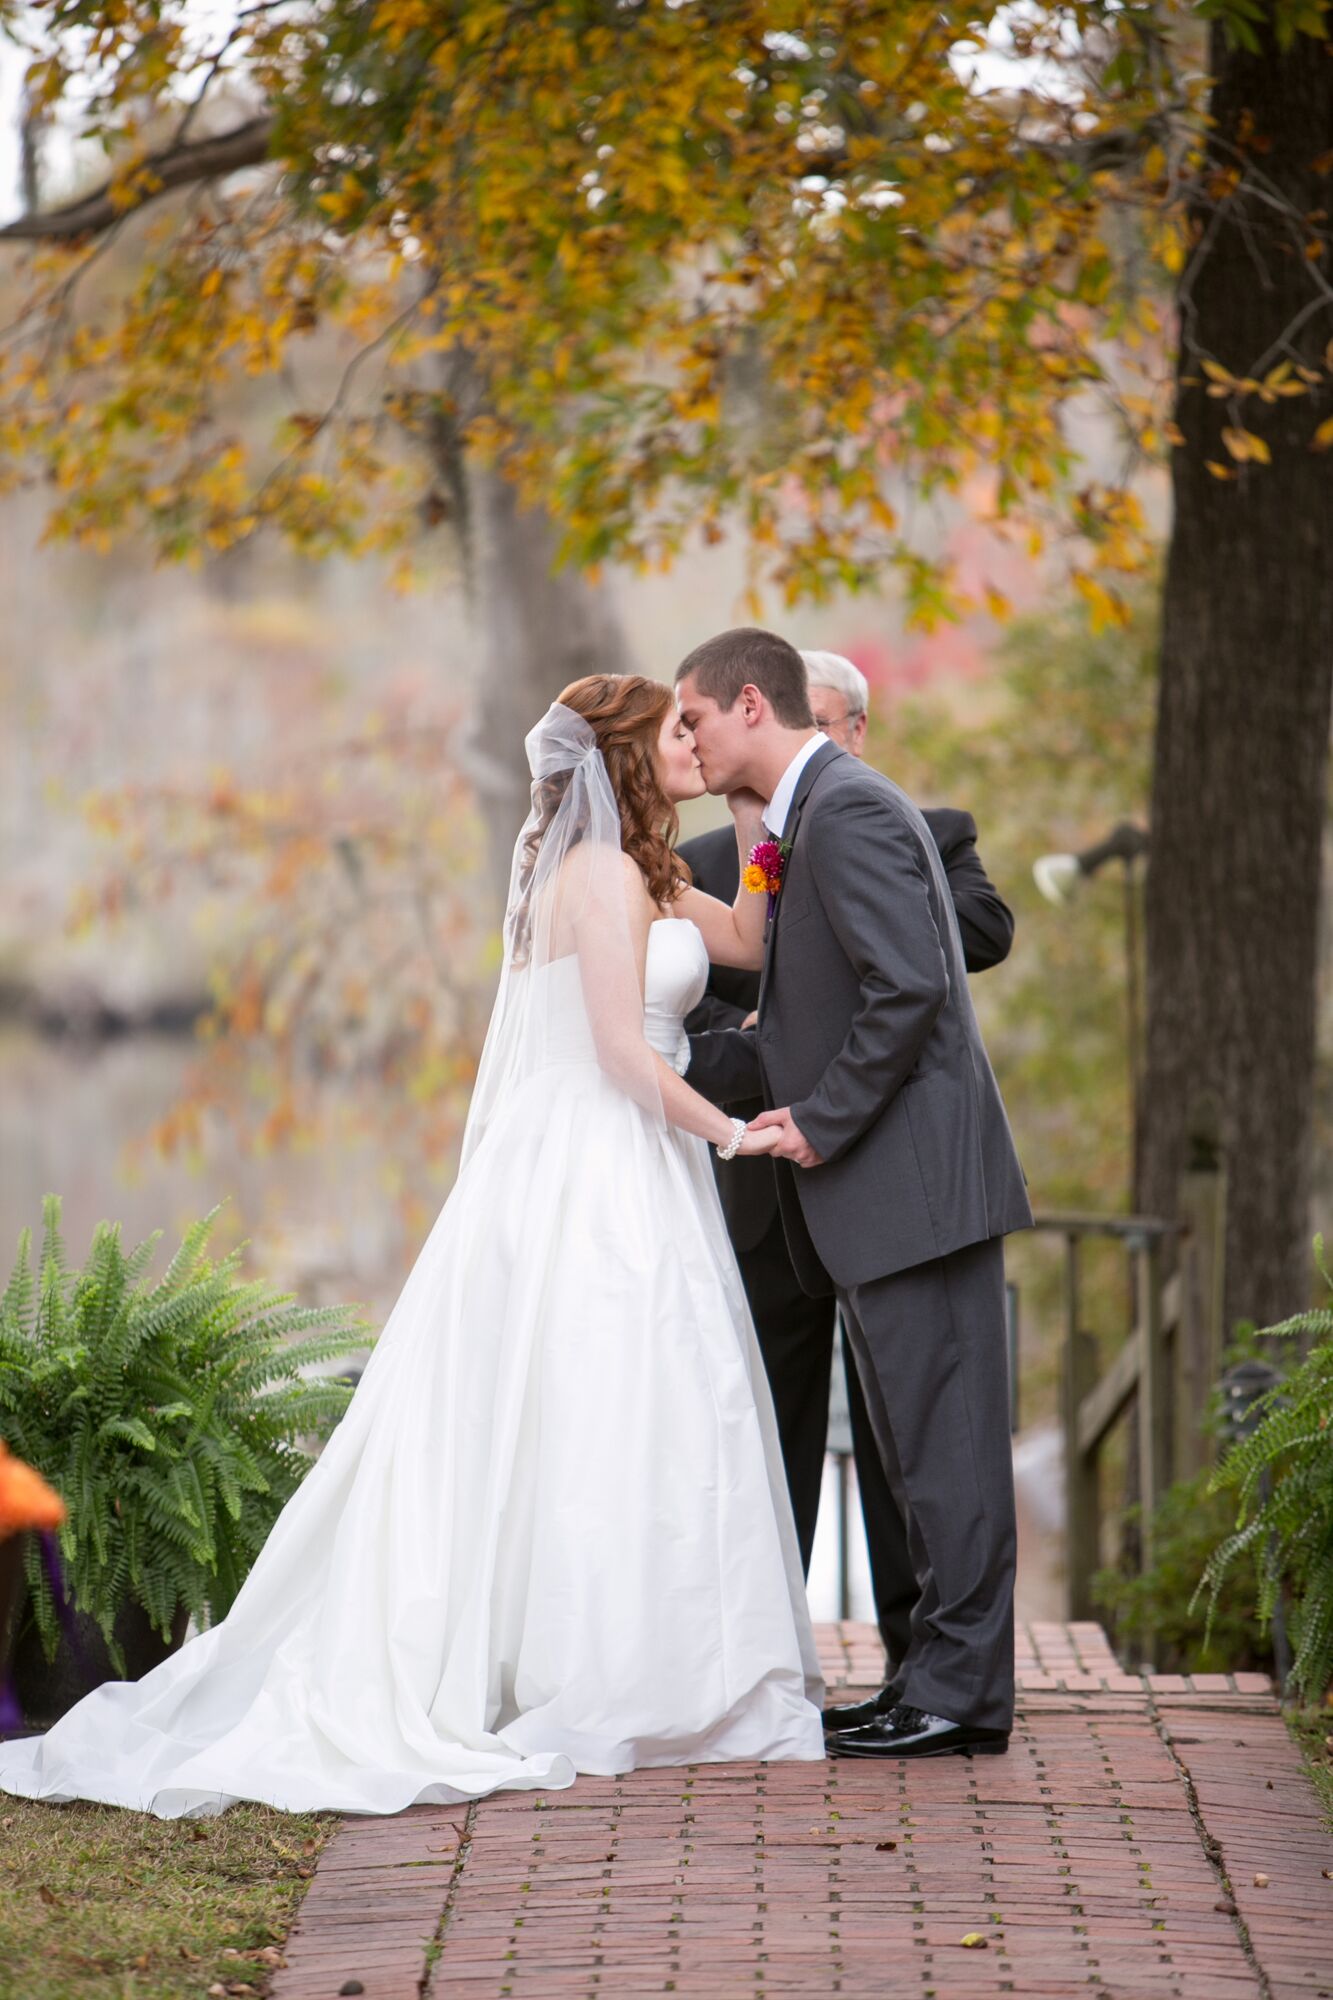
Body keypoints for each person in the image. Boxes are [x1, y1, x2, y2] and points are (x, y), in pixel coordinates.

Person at [0, 676, 826, 1819]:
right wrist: (739, 1132)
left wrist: (753, 814)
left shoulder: (649, 866)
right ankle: (575, 1668)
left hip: (646, 1166)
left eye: (702, 729)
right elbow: (623, 1056)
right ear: (631, 752)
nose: (695, 741)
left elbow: (742, 933)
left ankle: (663, 1662)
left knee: (654, 1396)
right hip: (592, 1158)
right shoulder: (589, 875)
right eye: (677, 733)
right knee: (588, 1390)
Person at [676, 628, 1032, 1759]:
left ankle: (962, 1697)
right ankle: (924, 1680)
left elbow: (914, 985)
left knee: (950, 1448)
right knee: (922, 1453)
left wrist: (822, 1120)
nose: (681, 742)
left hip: (913, 1183)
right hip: (879, 1196)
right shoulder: (802, 817)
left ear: (746, 704)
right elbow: (820, 1002)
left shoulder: (852, 807)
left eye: (690, 719)